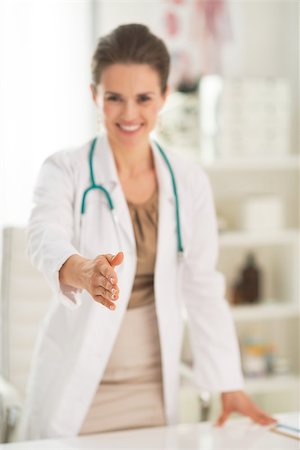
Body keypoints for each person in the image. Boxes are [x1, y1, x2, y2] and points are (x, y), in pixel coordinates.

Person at [21, 23, 276, 440]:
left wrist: (229, 385)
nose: (128, 114)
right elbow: (43, 235)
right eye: (114, 98)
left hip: (154, 392)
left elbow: (202, 286)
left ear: (164, 98)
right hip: (77, 388)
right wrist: (82, 270)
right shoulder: (64, 168)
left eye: (143, 98)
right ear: (94, 97)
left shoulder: (188, 181)